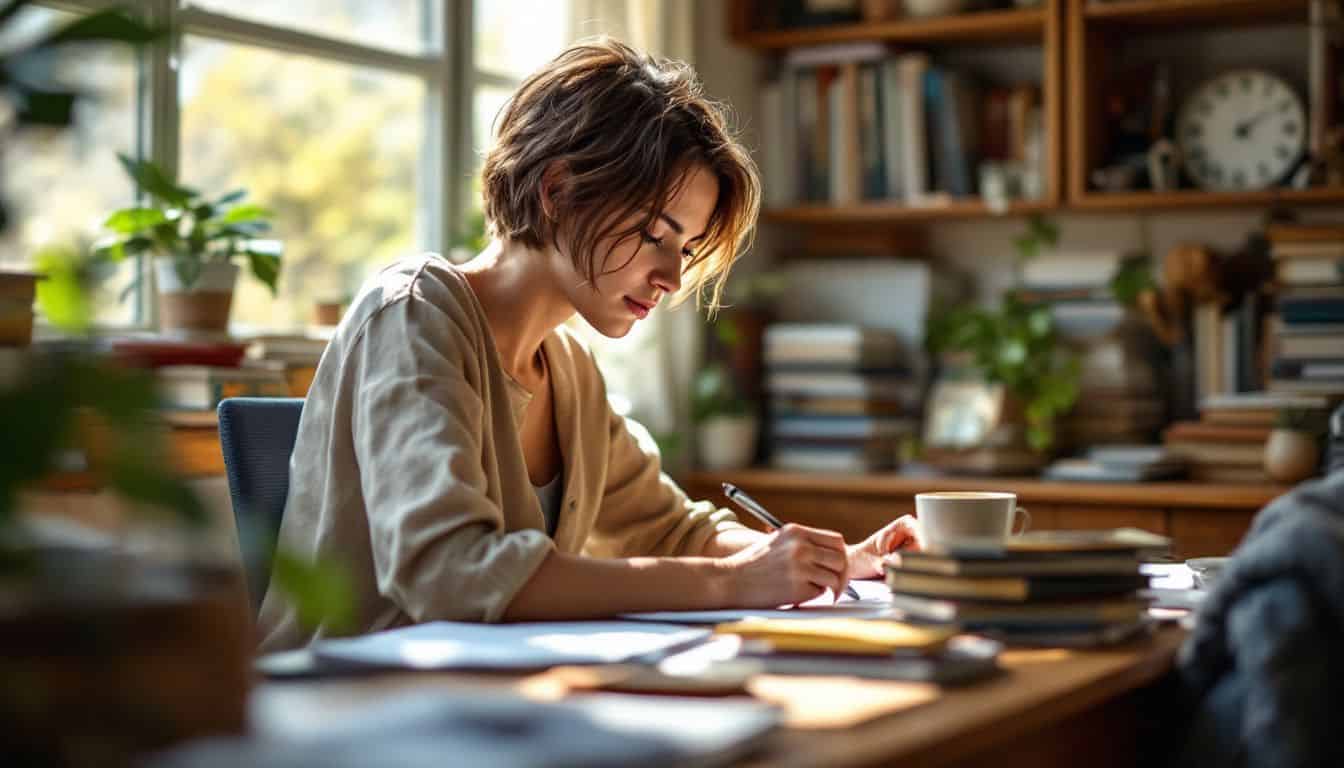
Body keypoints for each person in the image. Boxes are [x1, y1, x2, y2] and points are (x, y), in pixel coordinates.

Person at [257, 38, 918, 652]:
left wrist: (826, 561)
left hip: (484, 705)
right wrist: (735, 582)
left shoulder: (568, 368)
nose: (672, 277)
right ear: (558, 190)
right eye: (655, 233)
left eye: (685, 249)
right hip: (341, 710)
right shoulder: (413, 315)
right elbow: (450, 573)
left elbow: (674, 530)